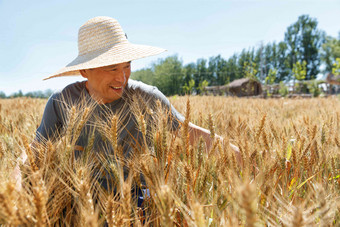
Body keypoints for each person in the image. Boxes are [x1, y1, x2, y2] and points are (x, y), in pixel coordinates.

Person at [13, 16, 240, 193]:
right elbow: (35, 151)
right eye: (112, 68)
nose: (122, 78)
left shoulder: (147, 98)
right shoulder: (62, 101)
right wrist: (13, 187)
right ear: (85, 70)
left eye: (127, 66)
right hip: (84, 201)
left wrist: (247, 161)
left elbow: (191, 133)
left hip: (139, 201)